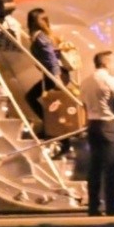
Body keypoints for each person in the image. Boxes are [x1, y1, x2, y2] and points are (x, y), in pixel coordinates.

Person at [80, 51, 114, 216]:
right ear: (106, 63)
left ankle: (93, 206)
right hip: (108, 123)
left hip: (92, 123)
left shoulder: (85, 82)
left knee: (94, 167)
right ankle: (111, 205)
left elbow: (83, 104)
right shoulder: (111, 81)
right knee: (111, 167)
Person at [24, 8, 67, 137]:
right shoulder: (43, 35)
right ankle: (53, 129)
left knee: (32, 97)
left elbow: (51, 57)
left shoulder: (40, 37)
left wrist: (57, 77)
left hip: (54, 75)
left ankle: (52, 128)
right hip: (55, 74)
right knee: (52, 105)